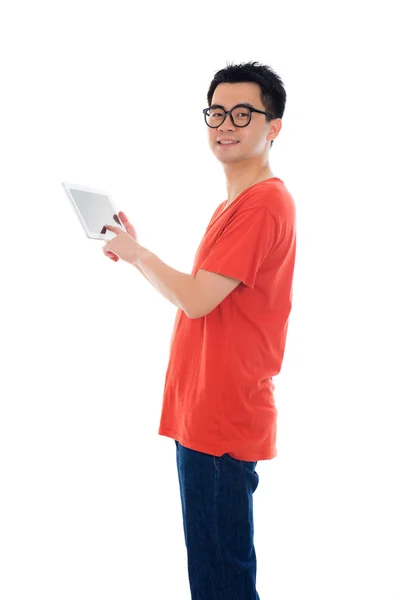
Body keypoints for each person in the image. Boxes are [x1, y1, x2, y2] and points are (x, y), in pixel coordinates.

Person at [103, 61, 296, 600]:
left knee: (221, 581)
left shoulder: (262, 203)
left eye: (243, 113)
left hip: (222, 418)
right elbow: (202, 298)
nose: (225, 124)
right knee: (215, 572)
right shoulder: (232, 204)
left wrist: (138, 254)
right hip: (204, 411)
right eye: (216, 112)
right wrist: (137, 255)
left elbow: (194, 299)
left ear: (272, 127)